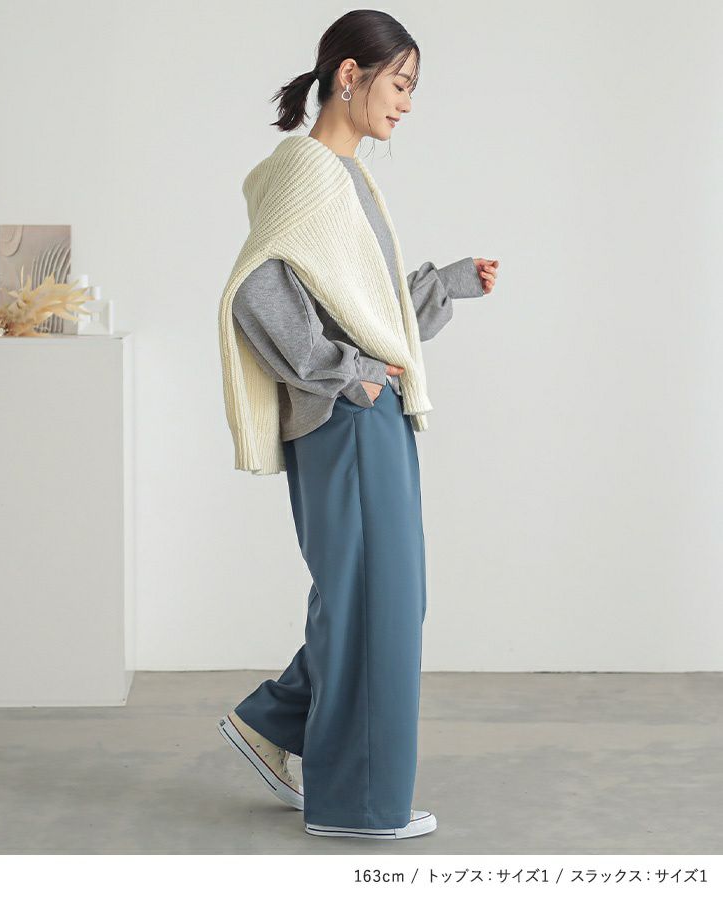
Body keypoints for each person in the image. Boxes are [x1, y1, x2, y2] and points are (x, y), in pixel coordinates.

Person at [216, 9, 499, 841]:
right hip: (349, 419)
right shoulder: (309, 173)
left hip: (364, 416)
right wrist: (346, 376)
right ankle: (360, 804)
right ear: (350, 74)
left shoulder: (339, 177)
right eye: (399, 83)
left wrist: (448, 283)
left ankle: (276, 724)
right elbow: (254, 289)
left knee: (381, 597)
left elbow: (360, 308)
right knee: (378, 600)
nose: (407, 102)